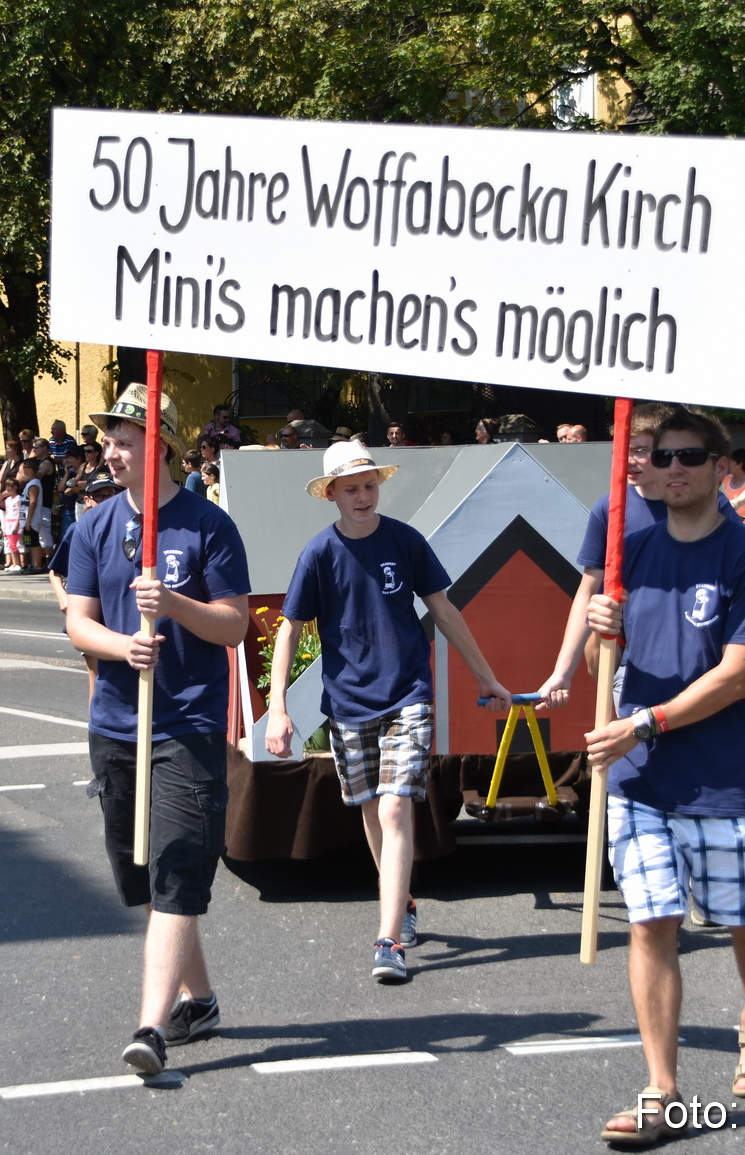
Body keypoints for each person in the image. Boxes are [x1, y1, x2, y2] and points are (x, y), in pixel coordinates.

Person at [580, 407, 745, 1145]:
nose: (672, 468)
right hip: (639, 775)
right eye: (662, 456)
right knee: (650, 920)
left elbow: (738, 677)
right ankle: (662, 1089)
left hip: (722, 776)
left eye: (688, 457)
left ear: (720, 464)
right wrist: (598, 632)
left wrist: (647, 720)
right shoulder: (630, 552)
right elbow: (600, 666)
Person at [266, 441, 509, 982]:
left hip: (408, 695)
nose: (363, 496)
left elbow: (444, 611)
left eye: (370, 485)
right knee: (374, 814)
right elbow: (290, 629)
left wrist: (486, 675)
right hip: (348, 705)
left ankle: (388, 939)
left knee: (397, 810)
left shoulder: (406, 541)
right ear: (331, 494)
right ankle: (404, 905)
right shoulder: (319, 554)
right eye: (350, 488)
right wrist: (278, 707)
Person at [63, 382, 250, 1078]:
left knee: (175, 867)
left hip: (187, 724)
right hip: (115, 722)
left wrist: (173, 604)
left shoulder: (208, 527)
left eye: (124, 438)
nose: (110, 451)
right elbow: (76, 619)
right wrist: (122, 645)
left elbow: (233, 624)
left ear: (160, 445)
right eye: (107, 439)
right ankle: (198, 1000)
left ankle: (152, 1025)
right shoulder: (95, 525)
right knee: (145, 880)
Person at [534, 404, 676, 708]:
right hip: (634, 665)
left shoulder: (704, 504)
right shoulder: (610, 509)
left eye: (639, 450)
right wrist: (562, 672)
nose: (628, 459)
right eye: (623, 449)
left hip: (700, 661)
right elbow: (588, 592)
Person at [50, 465, 121, 706]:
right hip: (90, 612)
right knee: (97, 675)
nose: (107, 500)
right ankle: (98, 729)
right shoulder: (79, 528)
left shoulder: (125, 526)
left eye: (113, 494)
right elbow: (54, 571)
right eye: (101, 496)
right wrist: (64, 598)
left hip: (116, 609)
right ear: (88, 500)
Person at [19, 457, 48, 572]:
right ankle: (34, 563)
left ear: (31, 469)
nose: (23, 470)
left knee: (34, 542)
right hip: (27, 519)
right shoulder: (30, 483)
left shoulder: (34, 484)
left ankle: (37, 564)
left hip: (31, 519)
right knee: (29, 542)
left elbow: (33, 501)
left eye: (25, 468)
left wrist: (28, 520)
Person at [0, 478, 24, 572]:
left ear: (15, 488)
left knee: (14, 544)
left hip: (14, 522)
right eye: (7, 486)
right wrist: (5, 527)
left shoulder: (18, 499)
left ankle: (18, 563)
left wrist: (16, 525)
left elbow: (18, 513)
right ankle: (14, 564)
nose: (8, 488)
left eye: (10, 486)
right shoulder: (8, 500)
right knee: (10, 544)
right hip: (8, 522)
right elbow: (7, 513)